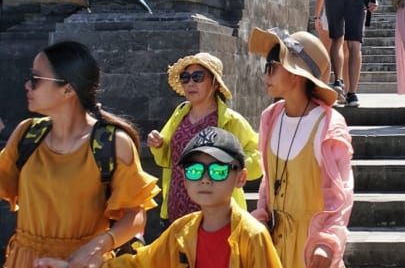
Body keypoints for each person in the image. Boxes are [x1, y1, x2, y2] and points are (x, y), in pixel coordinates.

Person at [0, 41, 159, 268]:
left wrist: (101, 244)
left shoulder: (113, 143)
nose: (27, 85)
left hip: (80, 263)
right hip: (24, 261)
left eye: (35, 79)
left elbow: (135, 214)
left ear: (68, 89)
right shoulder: (26, 134)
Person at [34, 127, 283, 268]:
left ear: (241, 178)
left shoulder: (252, 236)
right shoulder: (181, 231)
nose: (205, 179)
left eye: (218, 171)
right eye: (195, 171)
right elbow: (140, 265)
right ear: (183, 178)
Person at [248, 27, 354, 268]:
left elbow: (342, 192)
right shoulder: (270, 117)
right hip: (274, 245)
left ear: (295, 74)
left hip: (311, 247)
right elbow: (268, 179)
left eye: (272, 67)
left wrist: (327, 242)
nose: (266, 74)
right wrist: (262, 216)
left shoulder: (328, 125)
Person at [148, 52, 262, 226]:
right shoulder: (179, 114)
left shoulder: (231, 120)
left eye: (198, 77)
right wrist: (158, 144)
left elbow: (257, 160)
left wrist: (228, 166)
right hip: (176, 211)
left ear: (214, 83)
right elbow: (164, 157)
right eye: (185, 77)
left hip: (217, 217)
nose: (190, 83)